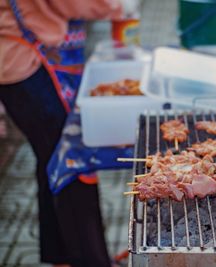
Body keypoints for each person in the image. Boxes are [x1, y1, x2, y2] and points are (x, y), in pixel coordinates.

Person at [0, 1, 122, 266]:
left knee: (51, 157)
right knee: (71, 161)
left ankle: (61, 255)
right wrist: (119, 6)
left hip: (25, 57)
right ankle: (91, 261)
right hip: (28, 60)